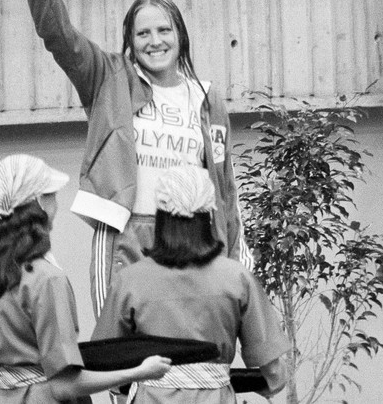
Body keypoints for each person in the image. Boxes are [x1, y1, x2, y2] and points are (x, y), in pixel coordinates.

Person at [16, 0, 253, 319]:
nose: (154, 40)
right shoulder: (108, 79)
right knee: (123, 344)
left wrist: (237, 253)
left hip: (191, 235)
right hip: (125, 233)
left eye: (164, 29)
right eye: (143, 32)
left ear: (180, 35)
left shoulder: (206, 97)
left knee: (187, 342)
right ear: (130, 40)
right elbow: (60, 36)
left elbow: (224, 185)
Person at [0, 154, 172, 403]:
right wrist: (140, 371)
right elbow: (65, 385)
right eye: (52, 196)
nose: (56, 205)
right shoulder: (47, 280)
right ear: (40, 202)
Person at [92, 164, 289, 403]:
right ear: (209, 214)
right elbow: (274, 373)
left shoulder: (129, 281)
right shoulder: (237, 278)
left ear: (160, 215)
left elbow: (104, 362)